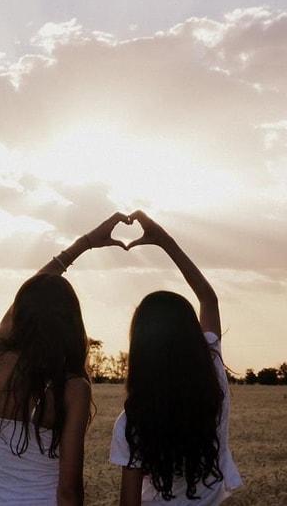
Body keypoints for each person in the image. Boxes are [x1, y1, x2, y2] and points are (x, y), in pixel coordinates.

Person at [0, 212, 131, 506]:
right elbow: (69, 491)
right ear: (70, 322)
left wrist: (84, 243)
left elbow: (24, 299)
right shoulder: (72, 389)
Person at [110, 211, 242, 505]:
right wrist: (165, 241)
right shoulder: (214, 382)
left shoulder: (132, 422)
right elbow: (208, 299)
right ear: (191, 335)